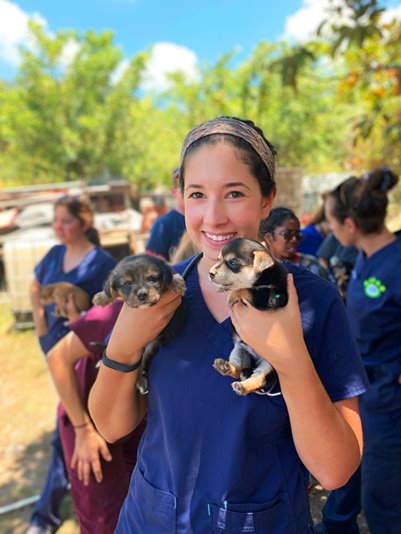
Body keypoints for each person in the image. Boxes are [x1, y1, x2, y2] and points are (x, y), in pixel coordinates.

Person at [89, 116, 367, 533]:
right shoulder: (157, 290)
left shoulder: (312, 302)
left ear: (267, 199)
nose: (214, 217)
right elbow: (111, 427)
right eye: (197, 194)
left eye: (234, 193)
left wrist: (288, 357)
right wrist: (123, 347)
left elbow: (335, 471)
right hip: (151, 518)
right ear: (180, 197)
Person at [315, 168, 401, 534]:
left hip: (389, 400)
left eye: (332, 223)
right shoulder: (364, 257)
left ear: (350, 223)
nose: (330, 230)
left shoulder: (396, 263)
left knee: (384, 500)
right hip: (364, 391)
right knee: (352, 478)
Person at [28, 195, 116, 534]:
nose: (58, 227)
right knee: (65, 424)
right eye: (56, 220)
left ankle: (45, 516)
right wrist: (41, 330)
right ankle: (49, 513)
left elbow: (107, 314)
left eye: (65, 220)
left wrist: (78, 319)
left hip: (84, 358)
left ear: (84, 222)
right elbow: (36, 289)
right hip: (55, 349)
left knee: (66, 424)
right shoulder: (53, 254)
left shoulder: (101, 262)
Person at [46, 300, 146, 533]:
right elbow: (57, 357)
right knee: (103, 518)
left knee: (136, 512)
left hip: (134, 421)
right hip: (86, 421)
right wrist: (82, 430)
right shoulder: (117, 310)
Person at [260, 207, 330, 279]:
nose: (294, 239)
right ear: (269, 238)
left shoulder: (313, 267)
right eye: (287, 234)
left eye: (298, 235)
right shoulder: (259, 269)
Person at [145, 167, 186, 261]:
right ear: (174, 191)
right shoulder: (163, 225)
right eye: (183, 189)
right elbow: (153, 265)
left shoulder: (206, 219)